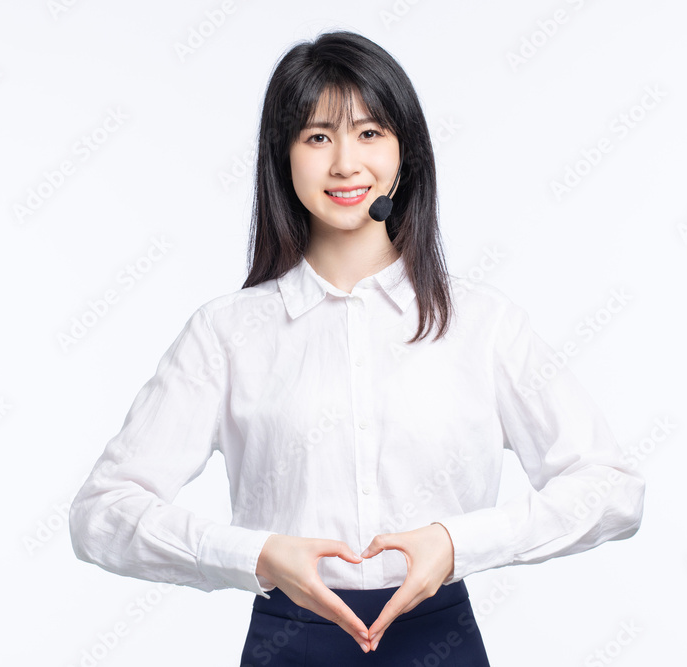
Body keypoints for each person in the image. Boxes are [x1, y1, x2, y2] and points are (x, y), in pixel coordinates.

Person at [68, 30, 645, 665]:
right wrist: (255, 554)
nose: (345, 163)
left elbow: (611, 489)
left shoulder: (483, 324)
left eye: (370, 133)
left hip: (438, 641)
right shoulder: (226, 333)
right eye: (318, 136)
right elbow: (102, 513)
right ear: (282, 156)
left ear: (406, 153)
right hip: (289, 643)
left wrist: (457, 543)